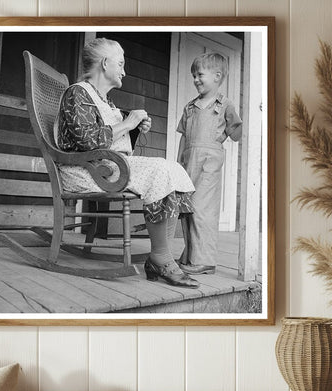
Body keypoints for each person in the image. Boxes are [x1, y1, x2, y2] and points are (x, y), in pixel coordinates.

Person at [57, 37, 198, 288]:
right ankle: (162, 259)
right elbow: (88, 141)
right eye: (120, 63)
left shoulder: (103, 100)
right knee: (158, 170)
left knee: (173, 168)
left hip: (105, 166)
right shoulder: (77, 93)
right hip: (84, 170)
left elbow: (113, 140)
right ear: (105, 63)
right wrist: (128, 123)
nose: (125, 70)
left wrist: (134, 129)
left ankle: (160, 255)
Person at [177, 53, 242, 275]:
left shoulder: (225, 105)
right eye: (193, 75)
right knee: (186, 208)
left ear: (217, 76)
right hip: (188, 161)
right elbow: (184, 136)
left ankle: (205, 260)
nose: (195, 79)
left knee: (202, 209)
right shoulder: (190, 107)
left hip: (209, 162)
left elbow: (236, 134)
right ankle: (191, 255)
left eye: (200, 74)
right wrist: (178, 163)